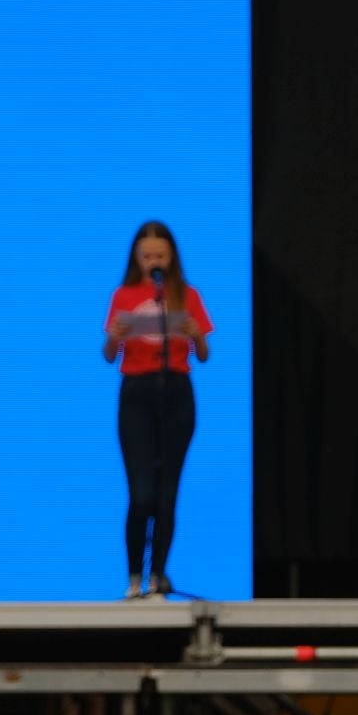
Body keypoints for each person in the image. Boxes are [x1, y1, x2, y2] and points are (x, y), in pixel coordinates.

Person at [104, 220, 212, 600]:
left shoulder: (185, 295)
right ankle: (134, 577)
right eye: (148, 255)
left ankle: (158, 578)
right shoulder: (124, 295)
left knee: (168, 492)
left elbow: (203, 354)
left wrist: (196, 333)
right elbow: (108, 355)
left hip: (177, 394)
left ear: (172, 258)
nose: (154, 261)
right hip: (136, 394)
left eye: (161, 256)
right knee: (141, 493)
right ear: (137, 257)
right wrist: (114, 338)